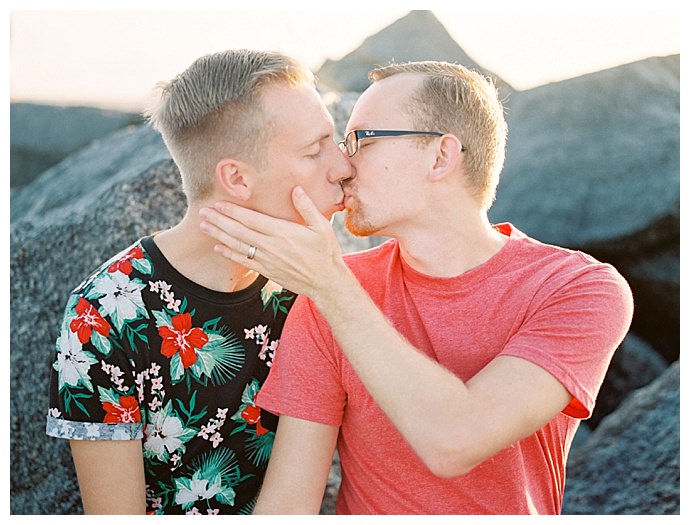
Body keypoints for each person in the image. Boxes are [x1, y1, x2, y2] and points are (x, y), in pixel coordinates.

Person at [198, 60, 635, 514]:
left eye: (361, 141)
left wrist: (329, 285)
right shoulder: (329, 294)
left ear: (441, 156)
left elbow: (456, 440)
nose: (343, 167)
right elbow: (288, 507)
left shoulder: (578, 289)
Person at [45, 49, 350, 515]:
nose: (343, 167)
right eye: (315, 151)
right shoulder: (105, 314)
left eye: (336, 141)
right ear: (236, 179)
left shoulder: (312, 288)